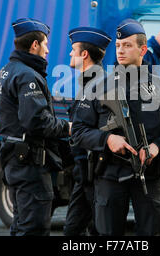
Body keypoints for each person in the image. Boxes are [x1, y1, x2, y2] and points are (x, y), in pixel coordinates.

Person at [71, 18, 160, 236]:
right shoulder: (98, 87)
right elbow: (79, 130)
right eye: (118, 46)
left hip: (150, 174)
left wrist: (158, 146)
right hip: (109, 174)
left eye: (127, 45)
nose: (120, 51)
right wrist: (107, 140)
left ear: (143, 49)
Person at [0, 17, 70, 236]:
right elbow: (36, 122)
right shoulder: (27, 75)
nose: (47, 50)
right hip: (30, 166)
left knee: (21, 226)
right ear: (34, 45)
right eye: (44, 43)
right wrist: (68, 128)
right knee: (33, 228)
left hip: (14, 160)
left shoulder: (6, 70)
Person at [63, 26, 112, 236]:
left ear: (84, 54)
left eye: (73, 50)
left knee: (98, 229)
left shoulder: (100, 85)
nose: (70, 54)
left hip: (95, 172)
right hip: (83, 172)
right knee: (73, 230)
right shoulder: (90, 81)